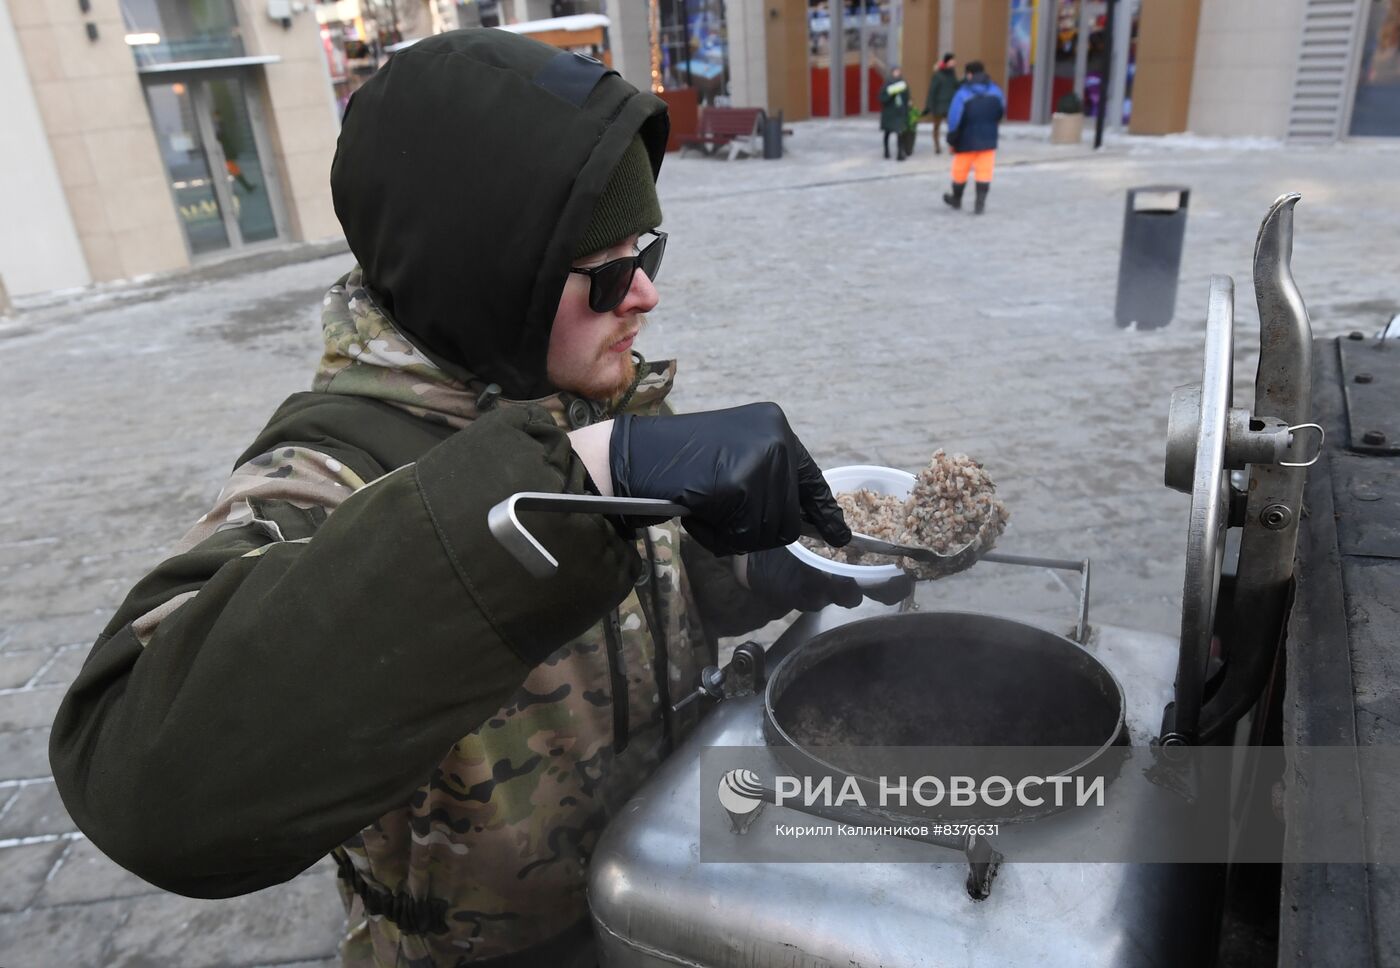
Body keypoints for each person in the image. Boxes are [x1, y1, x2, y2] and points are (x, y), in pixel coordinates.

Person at [47, 29, 911, 968]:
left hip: (661, 905)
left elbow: (644, 611)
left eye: (647, 245)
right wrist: (576, 473)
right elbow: (148, 788)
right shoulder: (324, 474)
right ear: (493, 270)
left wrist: (758, 561)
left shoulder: (584, 392)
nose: (647, 292)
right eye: (609, 266)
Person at [943, 59, 1006, 214]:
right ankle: (980, 204)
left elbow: (954, 119)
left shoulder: (962, 93)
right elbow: (1001, 111)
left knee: (960, 171)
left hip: (966, 139)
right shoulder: (996, 91)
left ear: (969, 74)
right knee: (984, 171)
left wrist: (952, 139)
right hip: (989, 138)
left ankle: (956, 199)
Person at [923, 52, 959, 155]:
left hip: (950, 105)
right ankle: (937, 146)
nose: (955, 62)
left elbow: (956, 86)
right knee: (936, 127)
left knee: (952, 126)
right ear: (948, 62)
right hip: (939, 105)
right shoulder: (938, 75)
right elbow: (932, 91)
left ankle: (952, 146)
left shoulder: (952, 74)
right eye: (953, 60)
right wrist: (929, 105)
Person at [879, 65, 912, 161]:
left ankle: (900, 153)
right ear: (892, 72)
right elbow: (882, 97)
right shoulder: (887, 84)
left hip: (899, 112)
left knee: (900, 132)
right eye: (896, 71)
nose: (897, 73)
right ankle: (886, 151)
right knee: (887, 132)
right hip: (890, 113)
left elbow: (907, 95)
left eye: (899, 71)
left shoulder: (903, 83)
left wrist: (909, 102)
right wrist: (891, 93)